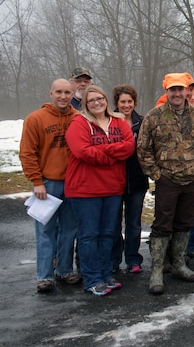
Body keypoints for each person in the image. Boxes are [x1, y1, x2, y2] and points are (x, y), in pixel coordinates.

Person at [137, 72, 194, 294]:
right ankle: (157, 270)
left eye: (181, 89)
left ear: (187, 91)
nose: (178, 93)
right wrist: (156, 174)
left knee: (185, 223)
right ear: (167, 91)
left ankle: (179, 264)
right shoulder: (155, 116)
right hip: (167, 180)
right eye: (173, 89)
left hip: (193, 180)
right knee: (162, 224)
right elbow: (143, 148)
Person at [65, 85, 135, 296]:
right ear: (85, 103)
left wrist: (102, 151)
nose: (96, 103)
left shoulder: (119, 122)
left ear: (106, 100)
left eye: (100, 99)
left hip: (113, 187)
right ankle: (92, 278)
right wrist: (112, 154)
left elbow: (129, 147)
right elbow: (82, 151)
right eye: (91, 100)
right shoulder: (79, 123)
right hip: (85, 189)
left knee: (107, 234)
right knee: (89, 235)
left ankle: (106, 274)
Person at [19, 79, 80, 293]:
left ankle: (64, 269)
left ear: (73, 94)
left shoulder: (78, 118)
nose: (63, 96)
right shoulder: (36, 119)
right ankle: (44, 275)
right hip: (47, 183)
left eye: (67, 92)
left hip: (73, 183)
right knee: (45, 230)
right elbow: (27, 152)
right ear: (51, 93)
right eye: (59, 92)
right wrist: (36, 181)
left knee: (70, 229)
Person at [110, 85, 149, 274]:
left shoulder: (141, 122)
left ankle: (133, 258)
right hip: (114, 181)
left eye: (130, 102)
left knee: (134, 223)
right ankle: (113, 259)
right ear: (116, 103)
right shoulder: (109, 122)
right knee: (114, 223)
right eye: (123, 102)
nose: (126, 105)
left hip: (137, 180)